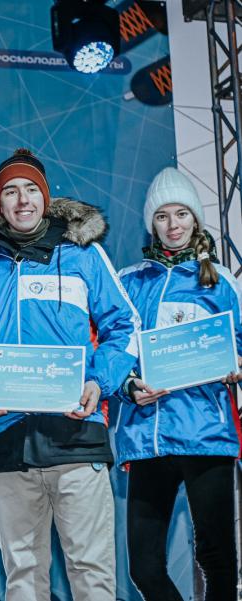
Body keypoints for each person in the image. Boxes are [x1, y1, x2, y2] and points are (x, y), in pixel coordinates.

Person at [0, 148, 140, 601]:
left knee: (91, 573)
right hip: (8, 442)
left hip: (77, 435)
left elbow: (125, 325)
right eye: (10, 192)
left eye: (31, 190)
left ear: (45, 197)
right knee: (23, 575)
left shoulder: (83, 256)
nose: (22, 200)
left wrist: (99, 382)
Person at [116, 166, 241, 601]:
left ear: (195, 219)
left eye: (182, 214)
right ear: (151, 223)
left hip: (205, 432)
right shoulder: (129, 281)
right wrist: (128, 384)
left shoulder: (221, 280)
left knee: (217, 558)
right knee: (144, 567)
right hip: (148, 437)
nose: (173, 225)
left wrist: (236, 363)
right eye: (163, 216)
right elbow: (114, 353)